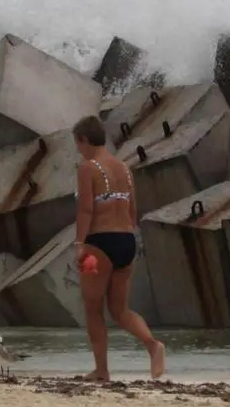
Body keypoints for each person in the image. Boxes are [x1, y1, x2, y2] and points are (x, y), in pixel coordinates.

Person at [70, 114, 166, 381]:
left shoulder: (87, 167)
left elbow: (86, 209)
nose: (78, 149)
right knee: (120, 310)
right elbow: (132, 209)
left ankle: (101, 370)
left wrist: (80, 245)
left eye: (77, 144)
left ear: (85, 140)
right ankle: (152, 345)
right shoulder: (124, 168)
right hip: (126, 241)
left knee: (93, 309)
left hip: (100, 243)